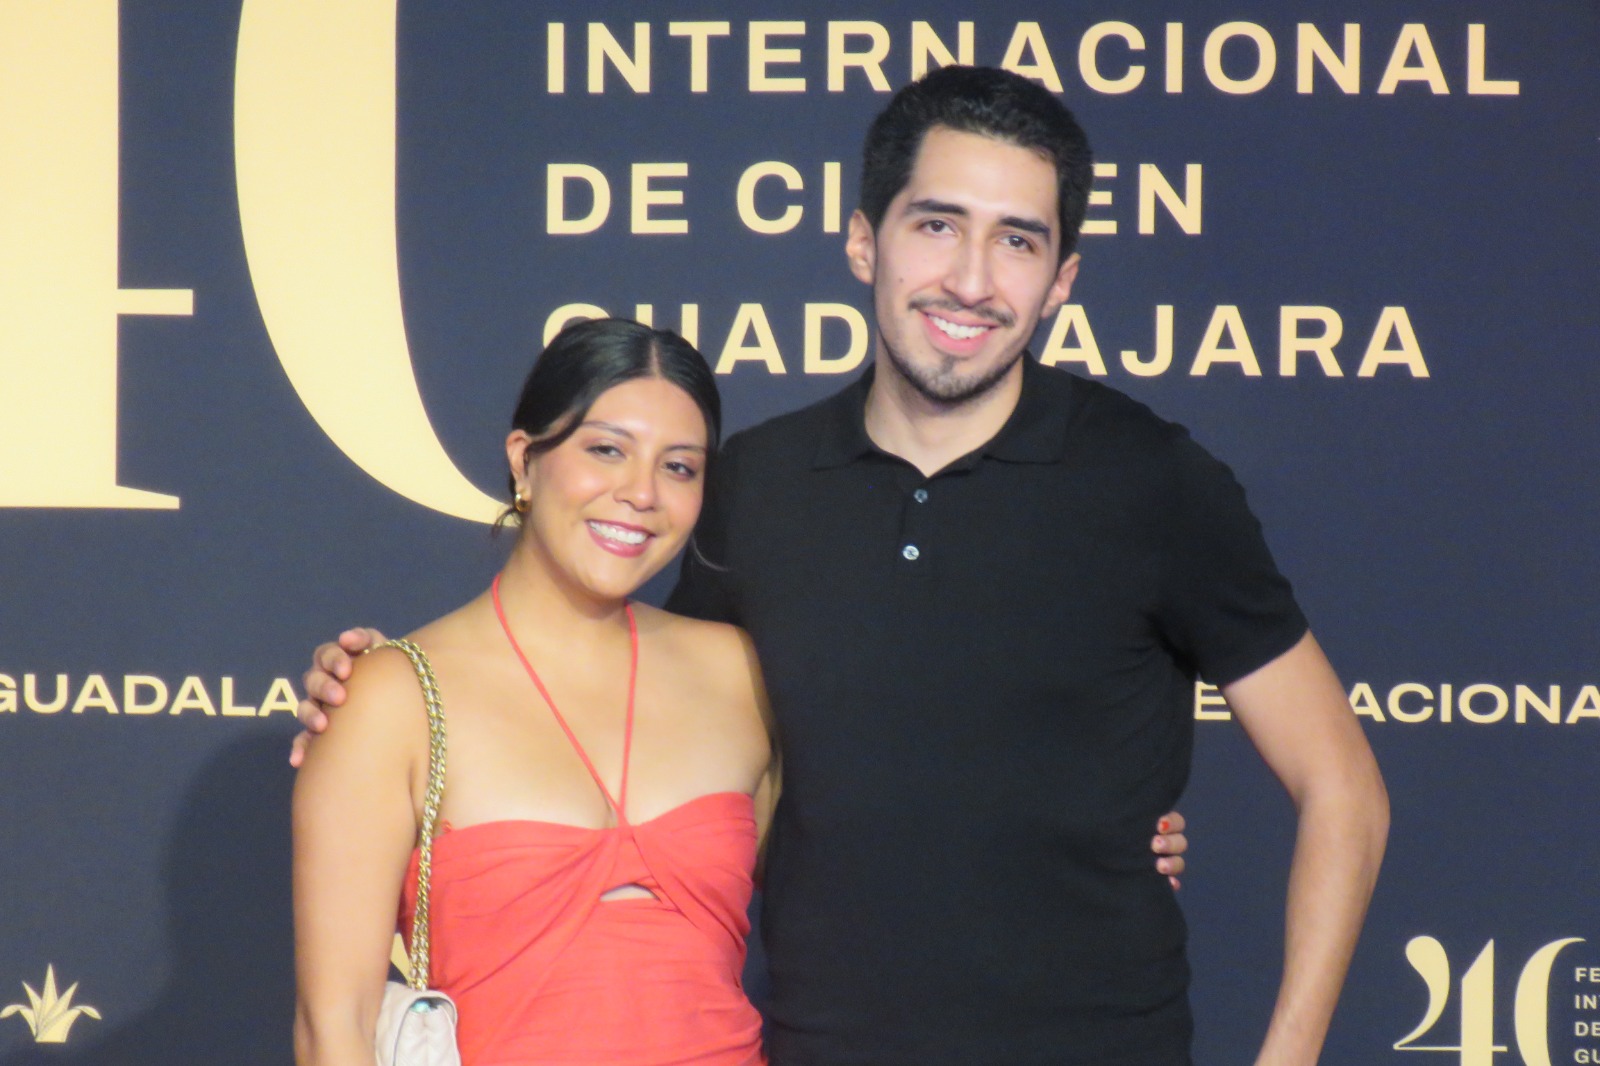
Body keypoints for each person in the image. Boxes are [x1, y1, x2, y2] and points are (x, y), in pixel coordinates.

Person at [301, 65, 1379, 1065]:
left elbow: (1341, 788)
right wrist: (383, 705)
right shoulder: (755, 485)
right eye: (937, 224)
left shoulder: (1155, 481)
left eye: (1016, 241)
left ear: (1062, 280)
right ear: (864, 241)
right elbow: (638, 716)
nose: (969, 278)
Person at [292, 319, 777, 1065]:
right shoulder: (393, 699)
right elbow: (337, 1030)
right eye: (606, 450)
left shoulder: (739, 675)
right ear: (526, 460)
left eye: (679, 467)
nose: (640, 493)